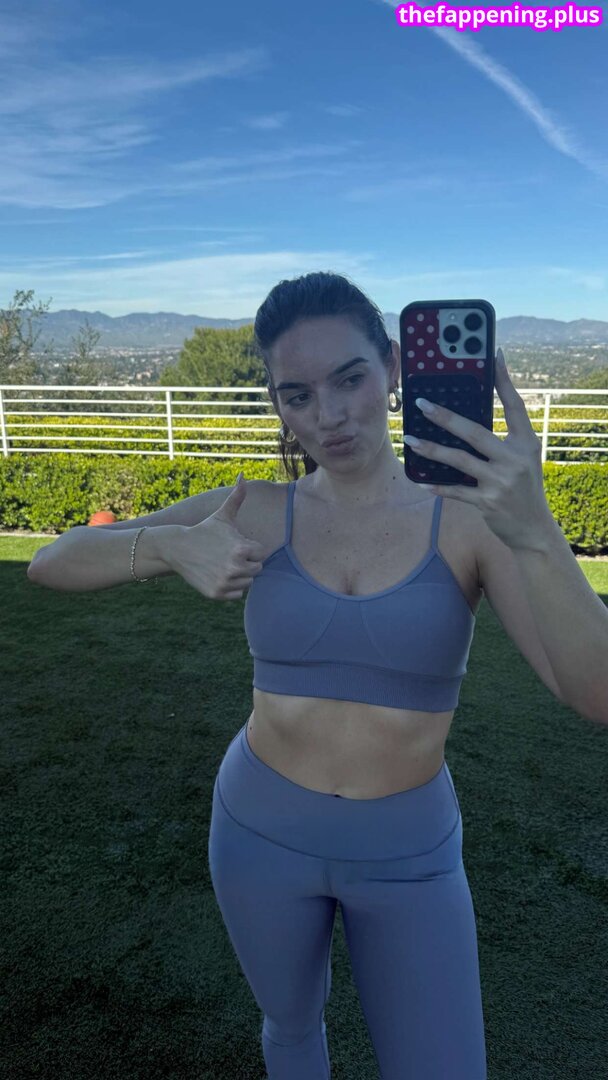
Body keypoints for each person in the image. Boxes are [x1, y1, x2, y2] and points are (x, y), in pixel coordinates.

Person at [207, 271, 488, 1078]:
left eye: (350, 379)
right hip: (257, 830)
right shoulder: (258, 509)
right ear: (277, 403)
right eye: (296, 395)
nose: (326, 416)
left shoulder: (469, 518)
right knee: (292, 1029)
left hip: (409, 851)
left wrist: (533, 519)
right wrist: (162, 544)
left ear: (394, 368)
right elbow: (55, 562)